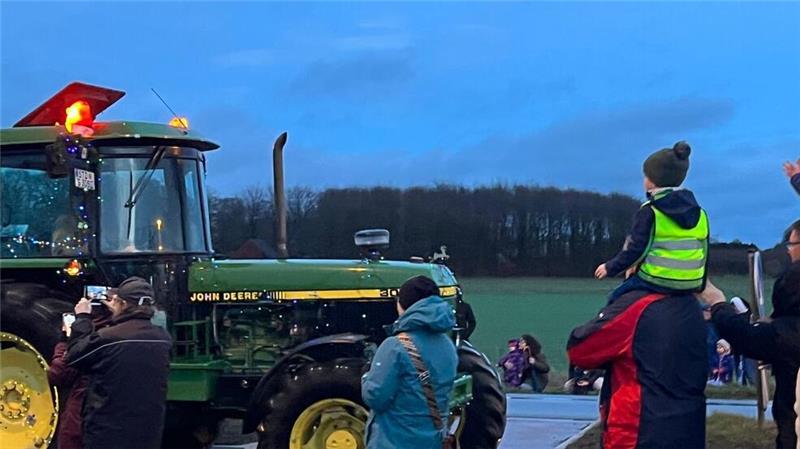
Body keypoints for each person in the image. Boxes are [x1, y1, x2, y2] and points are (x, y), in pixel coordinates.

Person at [699, 220, 800, 449]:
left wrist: (717, 304)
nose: (788, 250)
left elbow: (747, 336)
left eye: (792, 244)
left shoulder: (790, 332)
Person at [567, 288, 707, 448]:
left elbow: (580, 350)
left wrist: (607, 312)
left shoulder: (635, 306)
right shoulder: (691, 306)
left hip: (638, 429)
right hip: (688, 427)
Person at [595, 141, 710, 304]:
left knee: (616, 299)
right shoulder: (700, 213)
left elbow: (637, 249)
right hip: (691, 283)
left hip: (655, 280)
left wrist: (610, 267)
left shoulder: (650, 211)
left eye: (646, 175)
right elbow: (704, 252)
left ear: (652, 181)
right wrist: (699, 284)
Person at [65, 276, 172, 449]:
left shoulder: (108, 338)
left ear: (121, 303)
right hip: (147, 432)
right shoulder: (163, 338)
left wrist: (83, 318)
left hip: (108, 432)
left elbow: (74, 357)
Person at [361, 275, 458, 449]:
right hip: (433, 441)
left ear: (403, 305)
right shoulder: (447, 345)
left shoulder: (395, 346)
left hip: (395, 441)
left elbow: (375, 397)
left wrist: (367, 376)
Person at [48, 306, 112, 449]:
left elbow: (58, 374)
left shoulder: (88, 343)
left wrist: (64, 341)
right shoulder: (120, 337)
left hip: (81, 416)